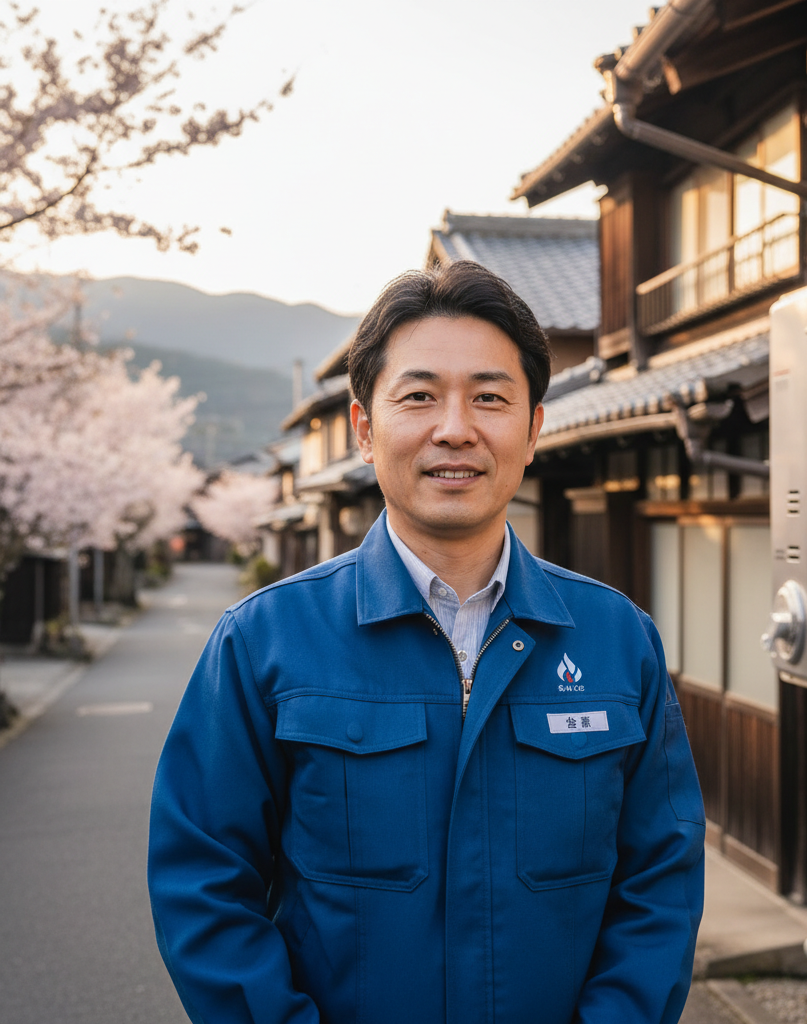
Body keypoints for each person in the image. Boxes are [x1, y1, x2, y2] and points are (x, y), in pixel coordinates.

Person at [148, 260, 705, 1024]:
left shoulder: (617, 640)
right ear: (364, 430)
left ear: (533, 430)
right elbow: (203, 883)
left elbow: (661, 884)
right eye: (419, 396)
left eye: (489, 398)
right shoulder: (264, 641)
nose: (455, 429)